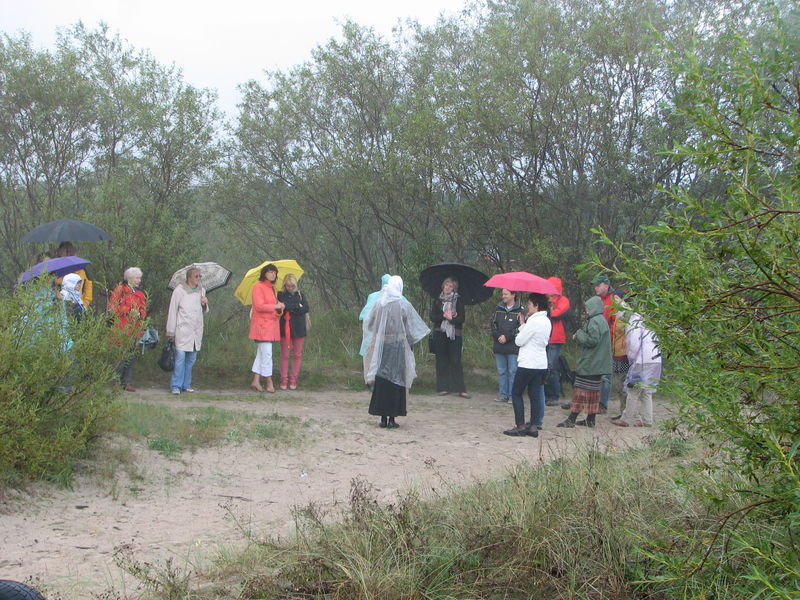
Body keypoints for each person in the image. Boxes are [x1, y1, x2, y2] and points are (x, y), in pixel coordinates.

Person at [365, 276, 430, 428]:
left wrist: (380, 333)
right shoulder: (403, 304)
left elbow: (369, 324)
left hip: (382, 347)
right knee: (396, 380)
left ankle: (383, 418)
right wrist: (410, 343)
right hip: (398, 347)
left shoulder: (379, 303)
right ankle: (392, 418)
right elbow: (409, 328)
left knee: (382, 379)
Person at [557, 295, 612, 428]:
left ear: (594, 308)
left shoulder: (594, 321)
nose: (586, 310)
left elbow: (592, 340)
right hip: (599, 363)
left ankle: (571, 419)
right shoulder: (602, 320)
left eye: (588, 308)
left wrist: (579, 334)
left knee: (580, 391)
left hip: (591, 362)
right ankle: (590, 419)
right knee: (593, 392)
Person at [503, 293, 551, 436]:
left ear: (536, 306)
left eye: (530, 304)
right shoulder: (546, 320)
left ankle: (521, 425)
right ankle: (534, 426)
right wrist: (523, 323)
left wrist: (523, 326)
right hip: (540, 363)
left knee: (516, 393)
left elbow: (519, 341)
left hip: (528, 362)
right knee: (535, 395)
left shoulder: (534, 321)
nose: (528, 307)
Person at [611, 311, 661, 427]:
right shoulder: (647, 323)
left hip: (642, 359)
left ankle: (626, 419)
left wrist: (632, 360)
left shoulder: (633, 324)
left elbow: (633, 345)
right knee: (647, 391)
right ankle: (647, 420)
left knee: (633, 389)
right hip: (655, 359)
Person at [166, 266, 209, 395]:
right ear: (189, 277)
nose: (199, 278)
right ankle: (176, 385)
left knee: (191, 359)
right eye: (196, 276)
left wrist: (204, 303)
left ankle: (186, 384)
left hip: (196, 330)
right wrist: (170, 331)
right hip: (183, 330)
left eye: (200, 276)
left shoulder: (202, 290)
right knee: (180, 357)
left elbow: (204, 311)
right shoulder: (179, 291)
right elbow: (173, 311)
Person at [108, 267, 147, 391]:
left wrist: (140, 313)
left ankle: (127, 382)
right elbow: (112, 308)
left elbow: (143, 309)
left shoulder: (140, 293)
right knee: (119, 356)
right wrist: (129, 311)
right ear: (129, 278)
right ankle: (115, 382)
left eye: (139, 278)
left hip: (135, 329)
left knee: (132, 356)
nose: (139, 280)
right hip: (121, 328)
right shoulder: (119, 290)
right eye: (137, 278)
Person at [430, 276, 470, 398]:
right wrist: (443, 316)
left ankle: (460, 388)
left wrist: (452, 318)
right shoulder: (437, 300)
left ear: (454, 288)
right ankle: (443, 387)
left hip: (454, 334)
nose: (448, 288)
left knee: (455, 360)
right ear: (443, 286)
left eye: (450, 286)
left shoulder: (458, 301)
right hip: (440, 332)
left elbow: (462, 319)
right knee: (441, 360)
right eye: (446, 285)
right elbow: (432, 317)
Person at [249, 264, 284, 393]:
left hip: (272, 327)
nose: (273, 274)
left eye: (274, 272)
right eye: (270, 272)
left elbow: (274, 309)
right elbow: (259, 306)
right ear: (265, 273)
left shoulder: (273, 289)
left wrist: (279, 309)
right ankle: (269, 381)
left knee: (261, 354)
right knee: (267, 354)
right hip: (262, 327)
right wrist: (275, 307)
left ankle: (256, 380)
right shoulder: (258, 287)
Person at [490, 288, 523, 403]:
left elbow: (520, 328)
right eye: (502, 294)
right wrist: (498, 336)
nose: (503, 296)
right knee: (502, 371)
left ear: (513, 295)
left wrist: (507, 337)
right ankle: (503, 395)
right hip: (499, 345)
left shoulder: (521, 310)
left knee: (513, 371)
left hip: (513, 346)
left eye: (506, 294)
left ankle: (513, 396)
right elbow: (493, 325)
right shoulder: (498, 309)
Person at [277, 273, 309, 390]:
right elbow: (283, 306)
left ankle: (293, 379)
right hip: (284, 327)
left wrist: (290, 307)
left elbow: (306, 308)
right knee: (285, 355)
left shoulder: (301, 295)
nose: (290, 288)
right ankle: (284, 379)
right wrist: (297, 307)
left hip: (299, 328)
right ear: (284, 285)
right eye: (288, 285)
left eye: (292, 286)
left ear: (295, 285)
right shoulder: (280, 295)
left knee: (297, 354)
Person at [591, 274, 616, 413]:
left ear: (606, 286)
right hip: (597, 342)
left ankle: (602, 404)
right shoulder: (597, 300)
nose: (596, 288)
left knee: (606, 375)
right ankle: (593, 400)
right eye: (595, 285)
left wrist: (607, 338)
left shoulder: (613, 300)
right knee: (595, 372)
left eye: (598, 285)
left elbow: (615, 323)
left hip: (608, 342)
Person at [545, 276, 570, 407]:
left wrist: (549, 307)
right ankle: (546, 394)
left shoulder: (563, 300)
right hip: (544, 337)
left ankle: (553, 396)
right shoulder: (545, 299)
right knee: (545, 366)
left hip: (556, 338)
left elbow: (556, 314)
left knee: (551, 366)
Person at [610, 291, 630, 419]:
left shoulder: (627, 313)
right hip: (617, 352)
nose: (614, 301)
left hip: (624, 354)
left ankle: (625, 412)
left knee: (623, 383)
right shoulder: (619, 313)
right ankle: (623, 411)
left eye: (616, 299)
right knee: (619, 384)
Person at [56, 242, 93, 308]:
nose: (66, 255)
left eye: (68, 252)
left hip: (77, 306)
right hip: (60, 307)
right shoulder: (56, 270)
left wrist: (84, 305)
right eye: (63, 252)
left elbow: (88, 288)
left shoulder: (81, 271)